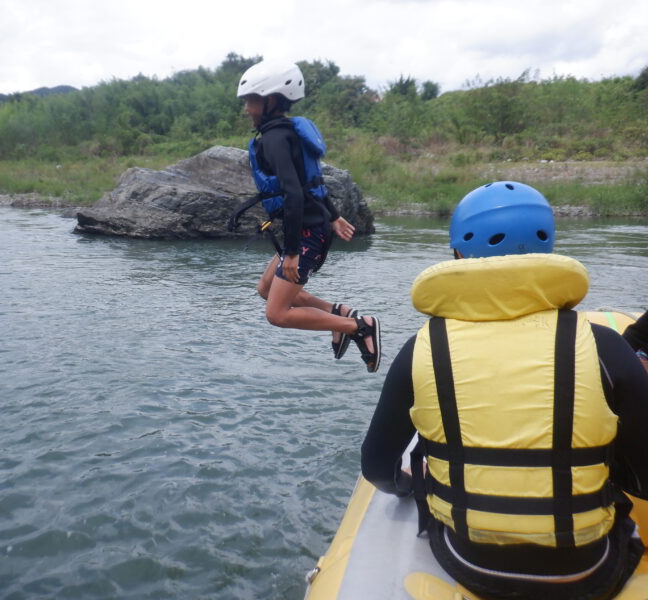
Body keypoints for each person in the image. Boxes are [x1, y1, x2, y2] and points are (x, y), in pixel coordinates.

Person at [360, 181, 648, 599]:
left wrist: (406, 485)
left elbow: (376, 468)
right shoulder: (603, 346)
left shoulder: (423, 347)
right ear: (547, 252)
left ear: (457, 253)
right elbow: (643, 481)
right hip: (589, 569)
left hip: (469, 561)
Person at [233, 60, 381, 372]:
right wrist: (334, 215)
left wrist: (290, 252)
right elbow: (310, 182)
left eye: (251, 100)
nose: (247, 108)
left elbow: (293, 194)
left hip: (304, 235)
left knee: (277, 313)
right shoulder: (287, 133)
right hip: (311, 228)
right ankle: (338, 313)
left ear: (270, 100)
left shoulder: (274, 138)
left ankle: (360, 327)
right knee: (264, 289)